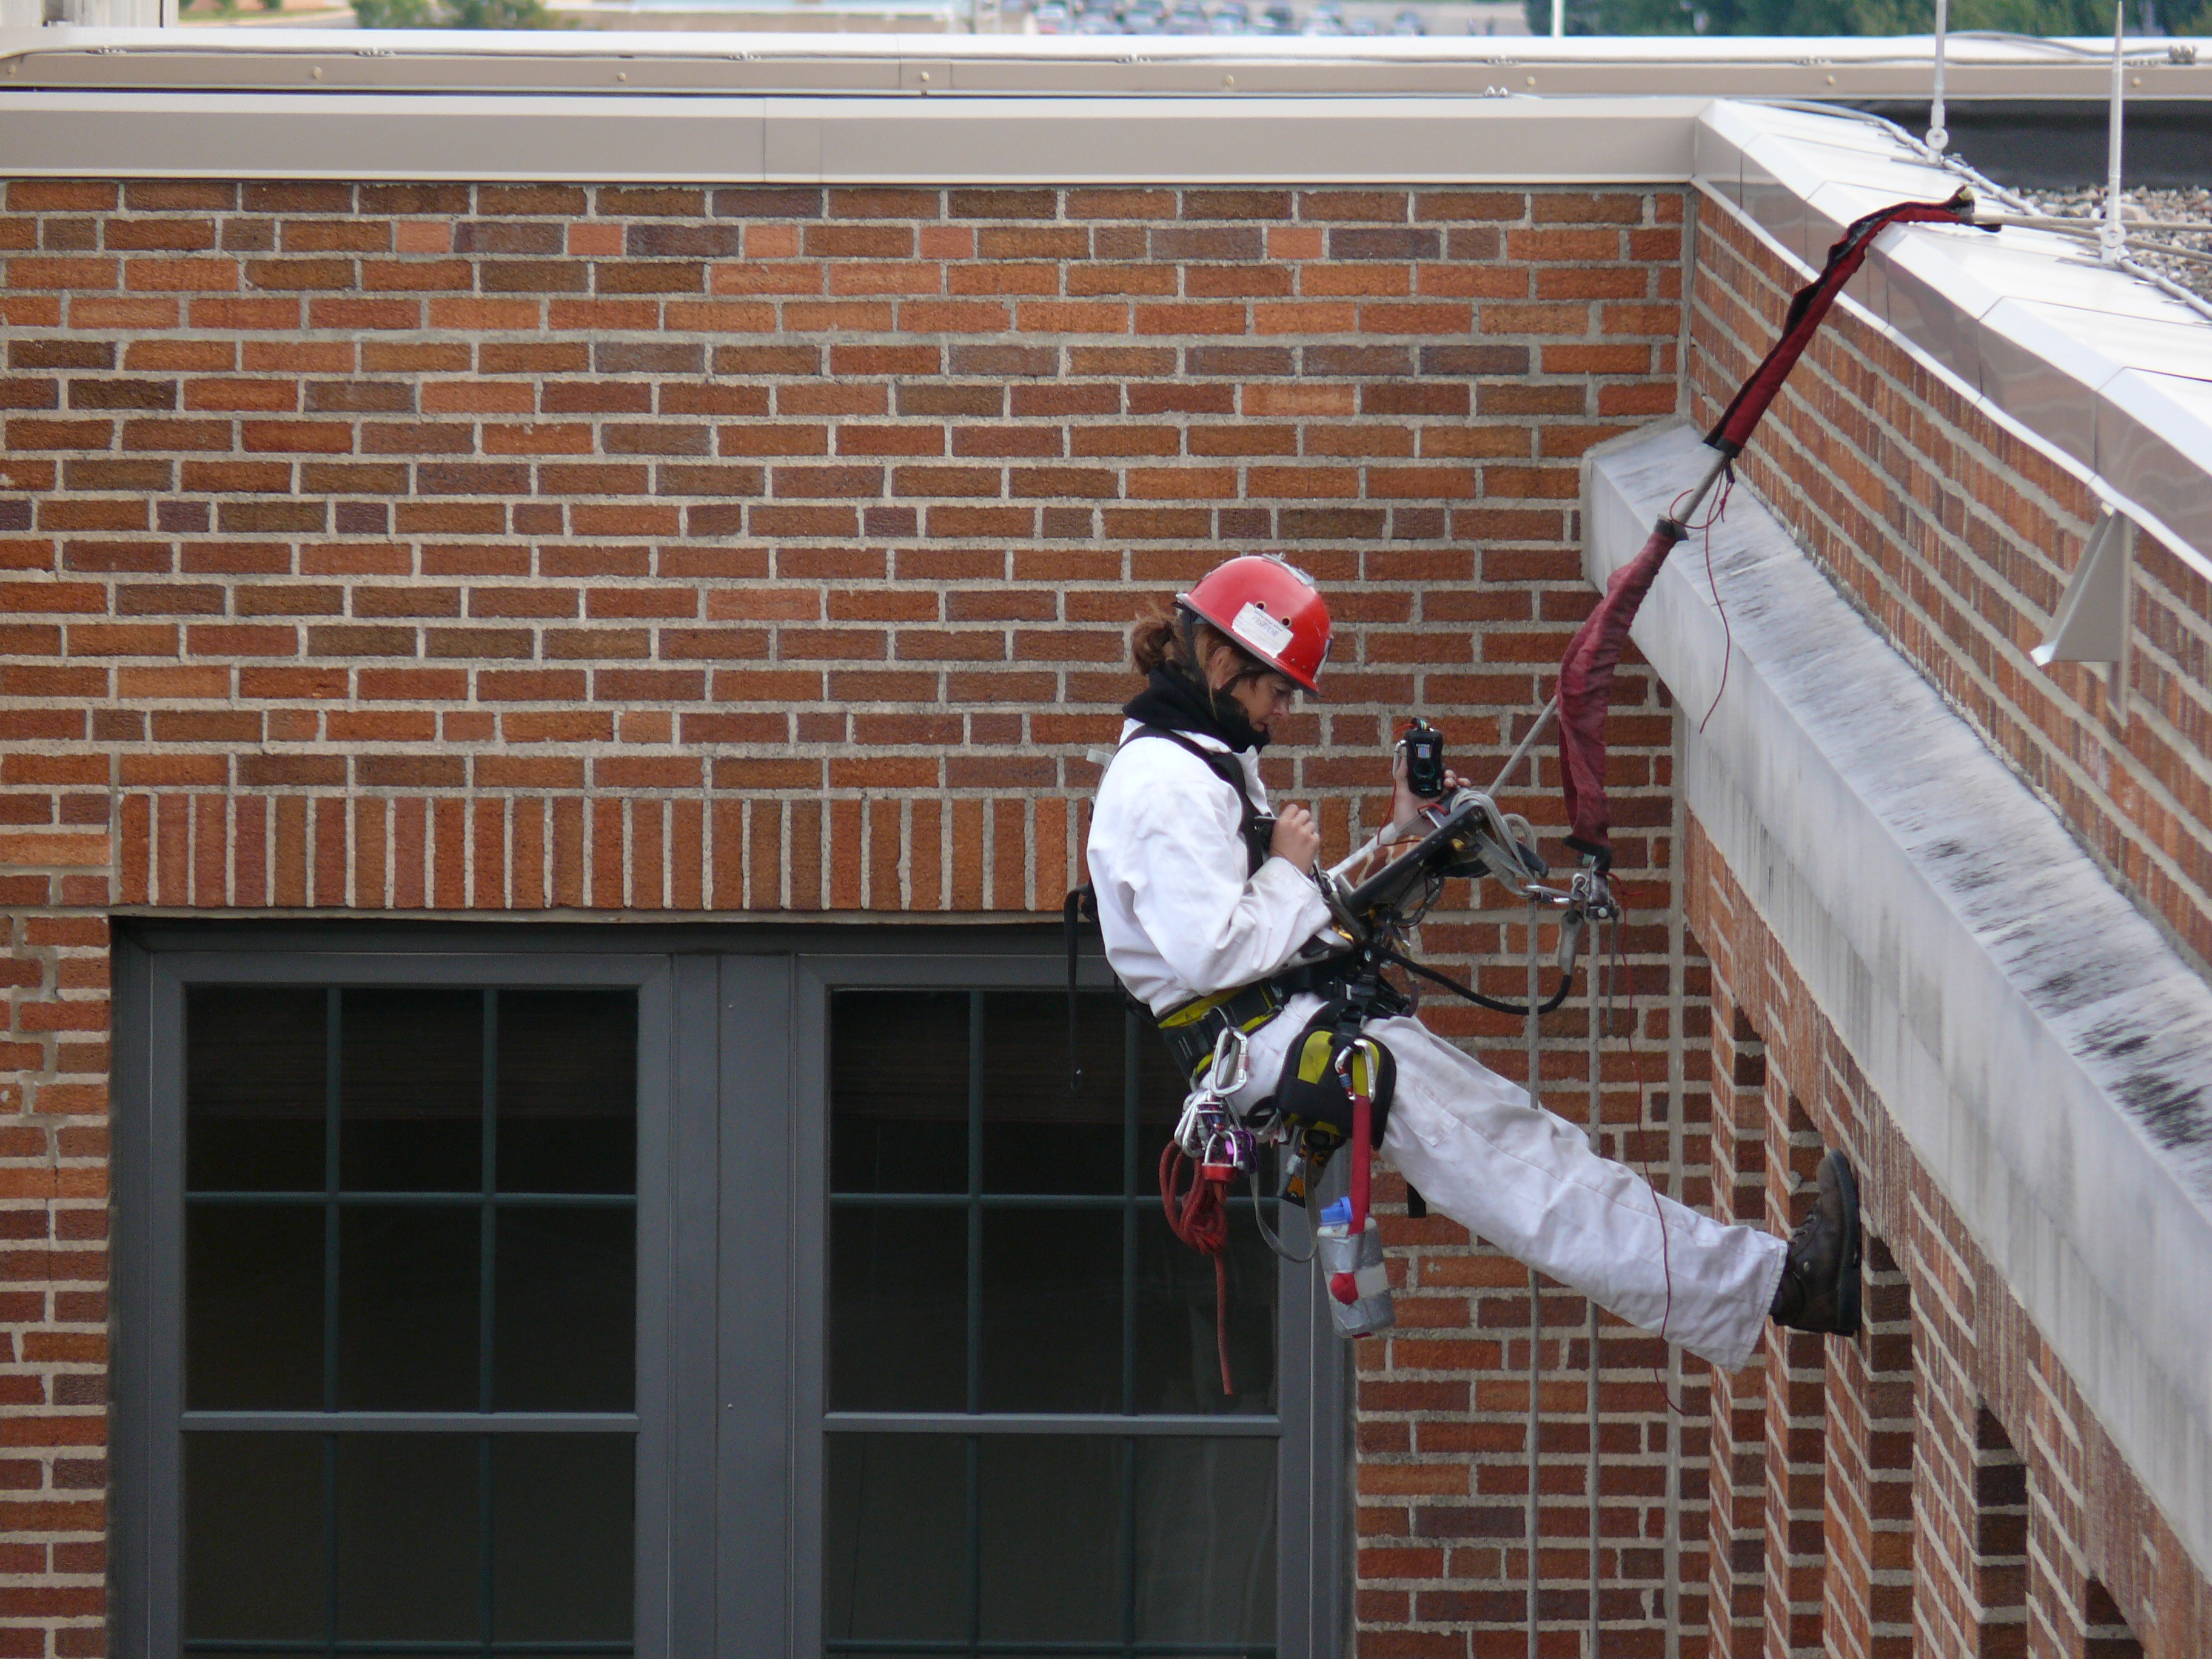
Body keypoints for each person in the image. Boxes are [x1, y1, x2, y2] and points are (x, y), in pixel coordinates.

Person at [1084, 554, 1859, 1373]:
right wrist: (1284, 867)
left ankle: (1771, 1283)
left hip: (1292, 1026)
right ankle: (1783, 1286)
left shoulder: (1195, 761)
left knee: (1533, 1155)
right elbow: (1213, 950)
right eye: (1276, 691)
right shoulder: (1167, 786)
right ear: (1221, 662)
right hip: (1284, 1038)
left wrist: (1395, 836)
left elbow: (1267, 925)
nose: (1280, 714)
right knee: (1533, 1174)